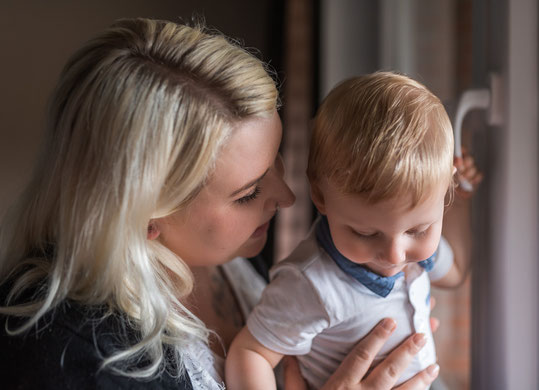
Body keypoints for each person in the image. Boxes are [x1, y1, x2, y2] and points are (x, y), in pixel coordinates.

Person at [0, 19, 442, 389]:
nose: (286, 197)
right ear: (145, 218)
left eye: (277, 160)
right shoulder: (66, 355)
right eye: (248, 193)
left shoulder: (218, 254)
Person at [226, 72, 483, 389]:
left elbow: (455, 271)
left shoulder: (413, 245)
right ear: (320, 196)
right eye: (366, 233)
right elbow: (251, 353)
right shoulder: (310, 285)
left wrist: (460, 199)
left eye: (418, 230)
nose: (394, 255)